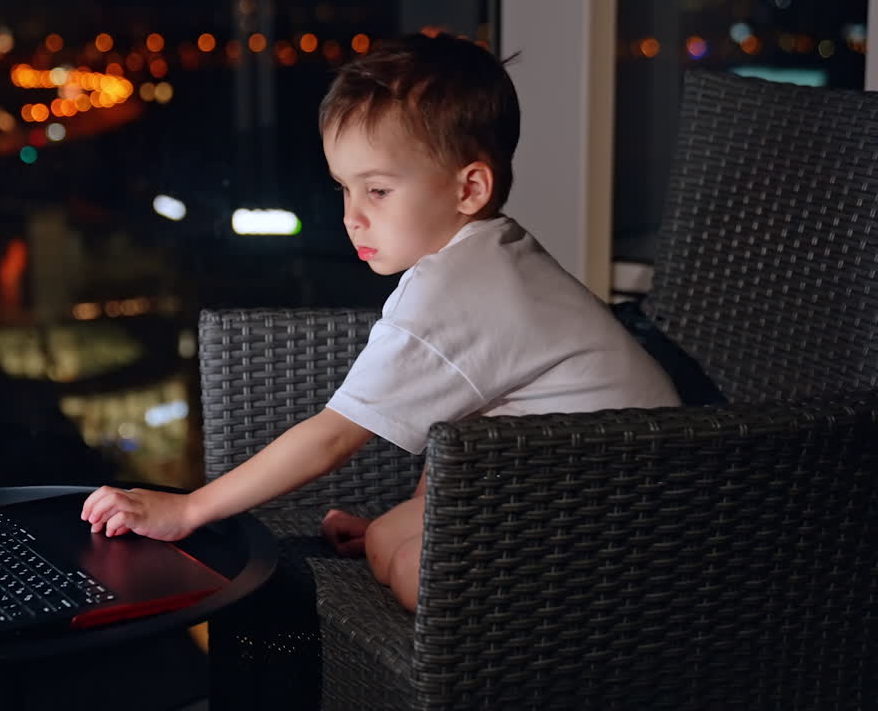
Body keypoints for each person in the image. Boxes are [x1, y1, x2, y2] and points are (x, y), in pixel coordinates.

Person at [81, 34, 681, 612]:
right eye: (344, 189)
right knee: (389, 535)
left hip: (632, 513)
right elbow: (466, 418)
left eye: (378, 191)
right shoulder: (493, 251)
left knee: (416, 574)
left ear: (470, 187)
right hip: (603, 485)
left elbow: (334, 437)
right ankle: (400, 535)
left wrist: (187, 510)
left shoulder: (453, 290)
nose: (352, 218)